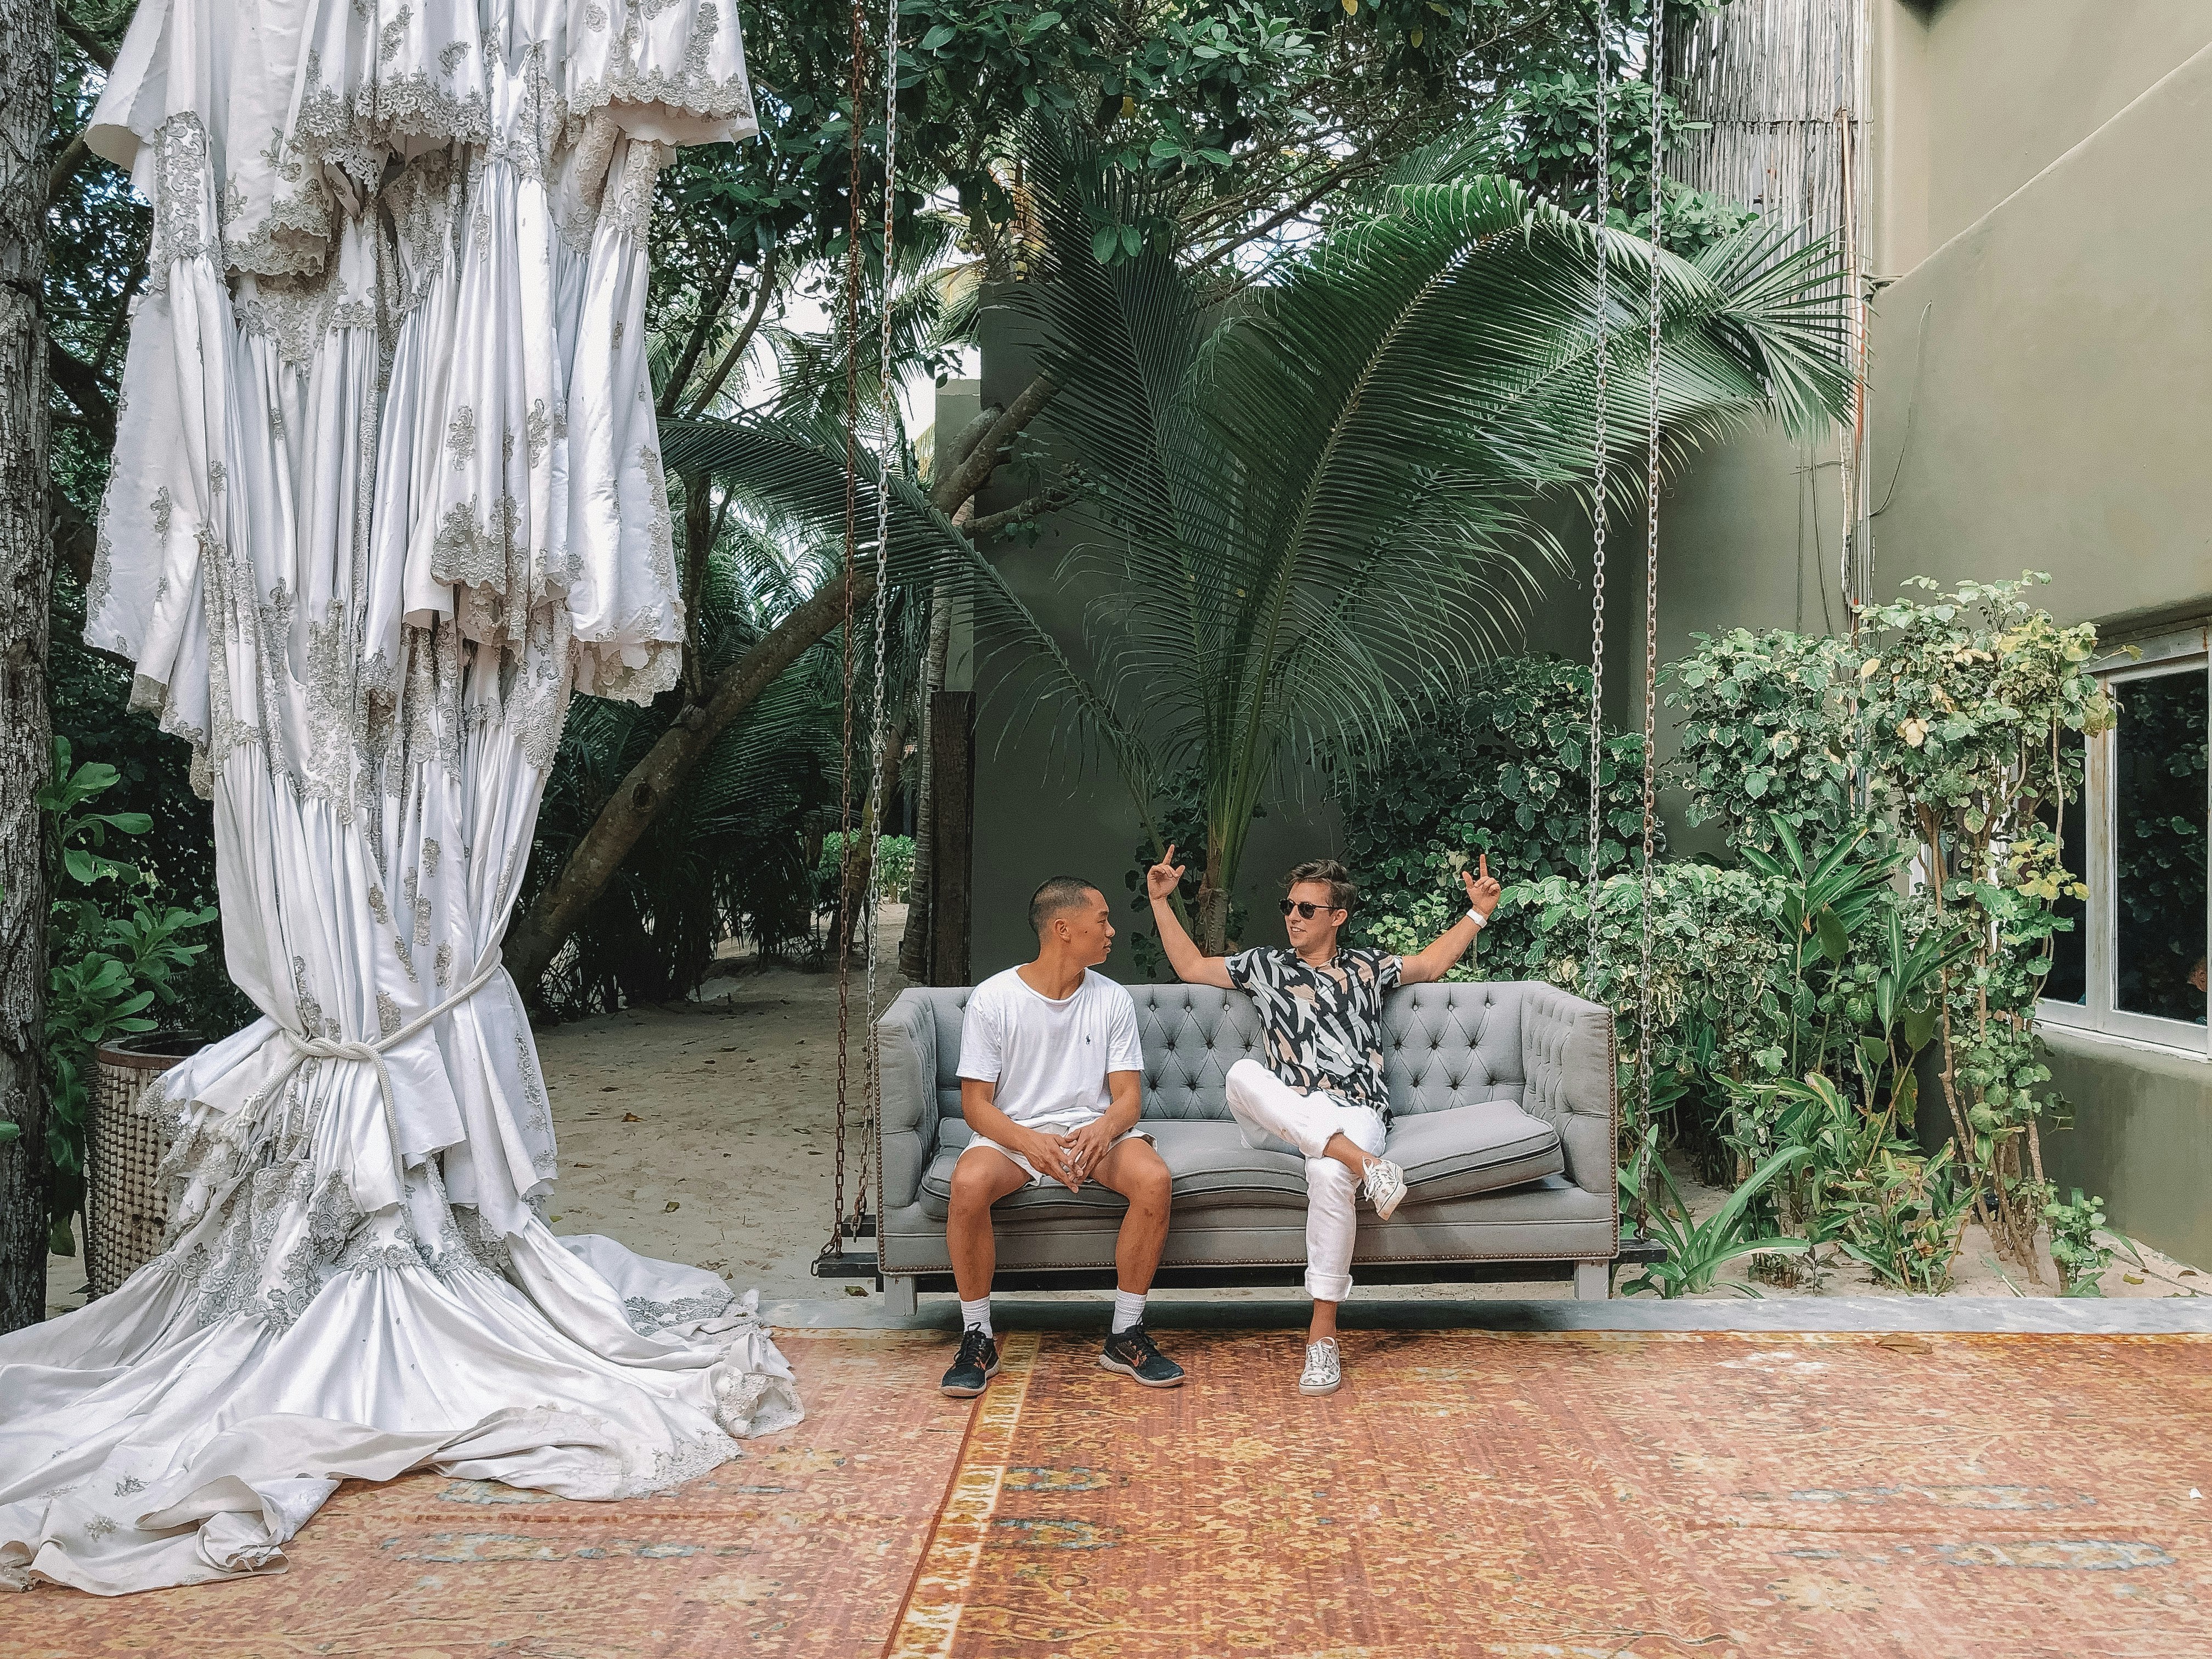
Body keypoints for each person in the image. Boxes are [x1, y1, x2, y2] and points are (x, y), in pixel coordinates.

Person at [1146, 851, 1502, 1396]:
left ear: (1337, 917)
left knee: (1329, 1176)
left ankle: (1321, 1340)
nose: (1293, 917)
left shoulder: (1366, 968)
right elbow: (1192, 968)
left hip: (1355, 1108)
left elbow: (1429, 966)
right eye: (1289, 906)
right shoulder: (1264, 965)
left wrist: (1478, 912)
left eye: (1307, 910)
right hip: (1283, 1115)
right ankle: (1369, 1166)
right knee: (1243, 1073)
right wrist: (1160, 900)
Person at [941, 877, 1186, 1397]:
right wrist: (1030, 1143)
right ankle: (978, 1336)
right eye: (1101, 919)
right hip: (1016, 1134)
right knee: (967, 1186)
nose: (1111, 930)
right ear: (1063, 929)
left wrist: (1101, 1130)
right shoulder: (994, 999)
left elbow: (1127, 1100)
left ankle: (1125, 1333)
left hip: (1091, 1132)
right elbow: (976, 1108)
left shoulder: (1112, 999)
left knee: (1154, 1181)